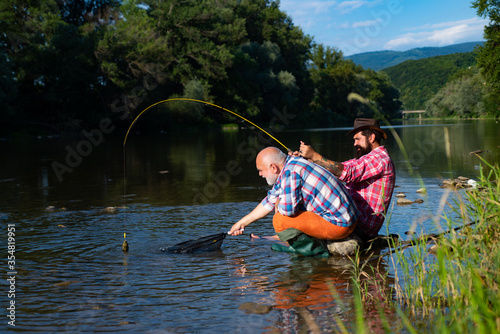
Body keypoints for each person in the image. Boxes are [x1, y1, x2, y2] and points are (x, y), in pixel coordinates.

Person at [295, 118, 395, 242]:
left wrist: (314, 156)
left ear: (371, 138)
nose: (354, 144)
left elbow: (347, 172)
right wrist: (306, 161)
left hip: (361, 226)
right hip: (353, 219)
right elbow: (335, 170)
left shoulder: (379, 159)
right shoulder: (365, 159)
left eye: (357, 139)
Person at [228, 147, 358, 241]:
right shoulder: (292, 163)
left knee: (279, 220)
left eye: (261, 170)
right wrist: (241, 223)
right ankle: (280, 238)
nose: (259, 174)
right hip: (348, 217)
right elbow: (268, 201)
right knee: (284, 204)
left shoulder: (290, 173)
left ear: (273, 167)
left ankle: (287, 242)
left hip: (340, 224)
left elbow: (288, 211)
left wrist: (278, 204)